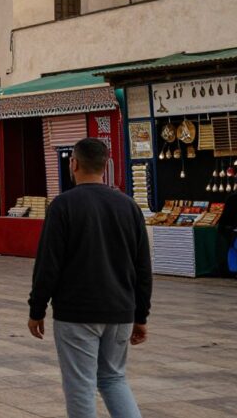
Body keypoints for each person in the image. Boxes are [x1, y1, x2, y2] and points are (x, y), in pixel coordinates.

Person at [28, 138, 152, 418]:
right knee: (114, 378)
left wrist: (37, 309)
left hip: (77, 312)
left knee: (80, 385)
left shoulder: (63, 206)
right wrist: (141, 315)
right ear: (106, 165)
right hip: (120, 310)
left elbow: (48, 264)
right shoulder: (128, 206)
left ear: (74, 164)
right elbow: (143, 267)